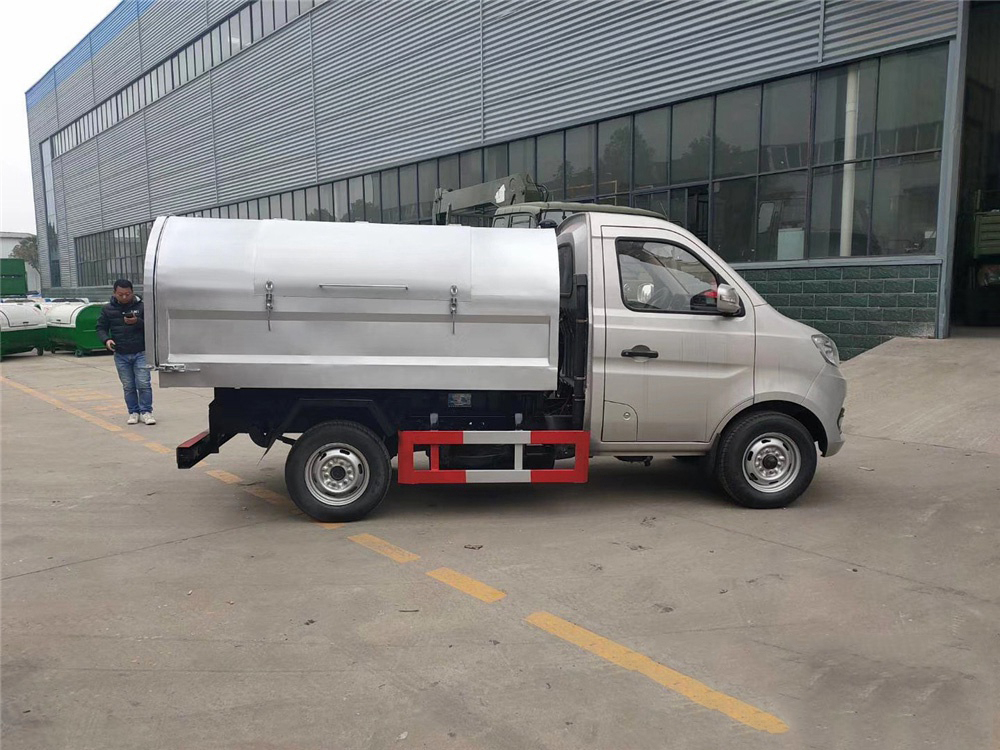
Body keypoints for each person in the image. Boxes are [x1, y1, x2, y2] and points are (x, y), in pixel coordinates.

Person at [96, 279, 155, 425]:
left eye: (127, 294)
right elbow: (101, 328)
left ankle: (146, 412)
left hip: (141, 352)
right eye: (120, 294)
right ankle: (133, 412)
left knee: (143, 383)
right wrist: (106, 340)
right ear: (114, 293)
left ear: (132, 292)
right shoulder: (107, 309)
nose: (124, 297)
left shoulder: (142, 307)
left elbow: (152, 326)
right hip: (121, 353)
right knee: (128, 386)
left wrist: (137, 322)